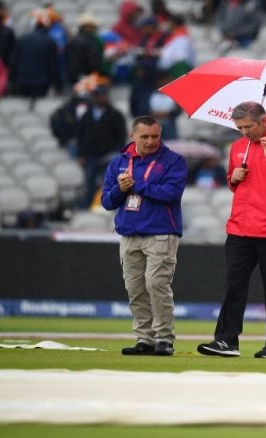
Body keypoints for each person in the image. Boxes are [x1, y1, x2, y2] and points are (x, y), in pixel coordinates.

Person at [197, 101, 266, 359]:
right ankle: (226, 341)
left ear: (263, 121)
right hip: (240, 226)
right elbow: (237, 184)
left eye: (248, 126)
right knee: (233, 285)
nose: (244, 132)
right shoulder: (238, 147)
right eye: (239, 127)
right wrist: (232, 179)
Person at [101, 115, 187, 356]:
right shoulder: (118, 162)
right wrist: (120, 189)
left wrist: (136, 185)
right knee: (135, 288)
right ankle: (144, 338)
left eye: (155, 136)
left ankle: (164, 339)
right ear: (133, 137)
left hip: (161, 232)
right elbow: (106, 201)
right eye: (145, 137)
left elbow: (172, 192)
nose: (151, 141)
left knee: (156, 284)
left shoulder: (173, 161)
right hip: (129, 233)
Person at [76, 79, 128, 208]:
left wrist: (118, 154)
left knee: (108, 183)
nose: (100, 98)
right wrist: (81, 154)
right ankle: (89, 207)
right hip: (91, 156)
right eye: (98, 95)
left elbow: (121, 136)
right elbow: (81, 136)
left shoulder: (116, 115)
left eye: (102, 95)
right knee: (90, 183)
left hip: (109, 155)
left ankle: (107, 207)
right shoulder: (86, 115)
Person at [64, 13, 105, 86]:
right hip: (88, 81)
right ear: (87, 27)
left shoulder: (71, 41)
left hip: (73, 80)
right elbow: (94, 63)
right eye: (93, 26)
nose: (95, 28)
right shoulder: (92, 42)